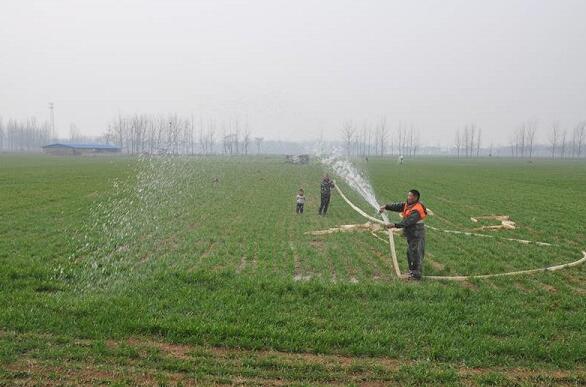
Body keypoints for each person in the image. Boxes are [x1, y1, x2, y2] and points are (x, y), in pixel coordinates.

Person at [379, 189, 427, 280]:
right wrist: (386, 206)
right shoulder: (408, 204)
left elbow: (408, 222)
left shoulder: (417, 209)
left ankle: (416, 275)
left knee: (416, 253)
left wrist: (394, 225)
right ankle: (412, 272)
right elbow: (398, 206)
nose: (408, 197)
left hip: (417, 232)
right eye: (408, 195)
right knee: (410, 252)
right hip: (411, 232)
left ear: (415, 197)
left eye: (410, 196)